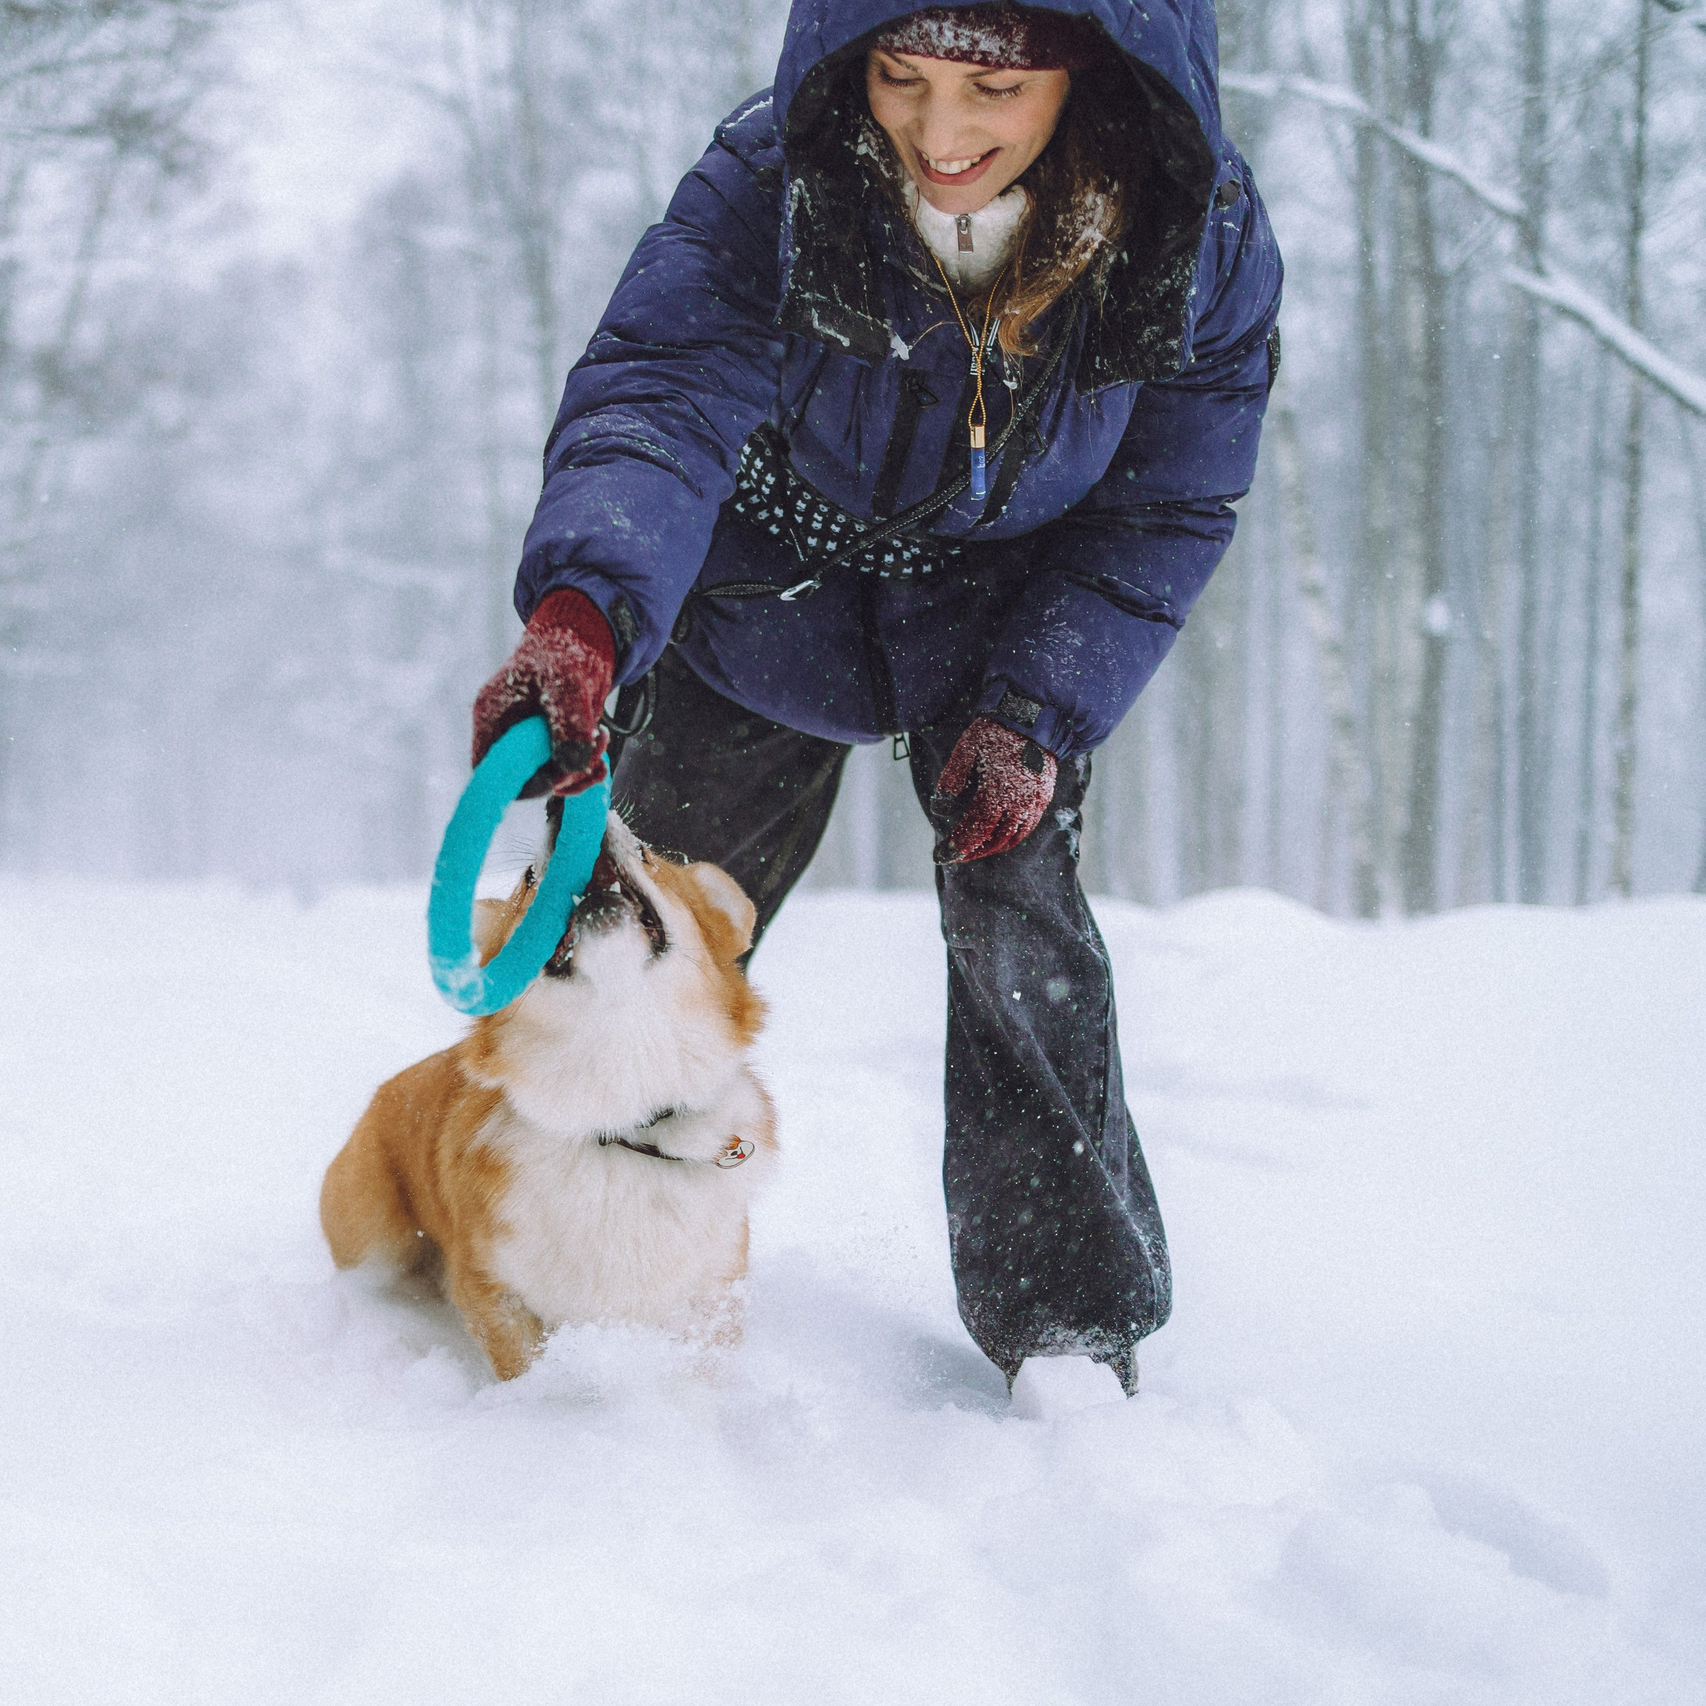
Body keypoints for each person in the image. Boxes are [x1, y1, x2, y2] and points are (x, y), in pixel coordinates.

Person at [467, 0, 1281, 1395]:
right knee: (629, 919)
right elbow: (660, 397)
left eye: (996, 90)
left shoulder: (1189, 231)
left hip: (1001, 613)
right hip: (761, 589)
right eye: (900, 79)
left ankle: (1070, 1325)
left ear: (1088, 78)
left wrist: (1038, 710)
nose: (941, 134)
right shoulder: (775, 178)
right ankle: (550, 1250)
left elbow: (1166, 504)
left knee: (1019, 908)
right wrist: (586, 613)